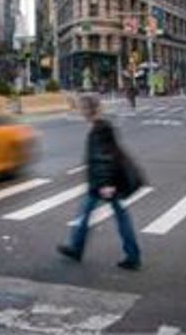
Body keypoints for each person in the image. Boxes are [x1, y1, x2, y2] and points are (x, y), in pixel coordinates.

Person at [57, 93, 142, 270]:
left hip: (104, 183)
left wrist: (105, 184)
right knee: (89, 213)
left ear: (89, 109)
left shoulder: (100, 129)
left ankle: (132, 255)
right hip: (101, 182)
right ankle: (77, 248)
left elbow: (104, 157)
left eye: (82, 108)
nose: (80, 111)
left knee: (117, 217)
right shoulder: (100, 126)